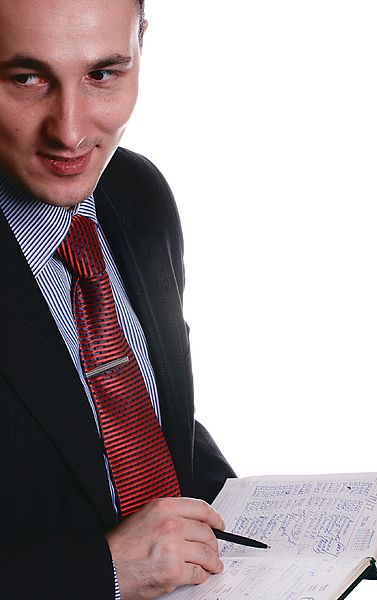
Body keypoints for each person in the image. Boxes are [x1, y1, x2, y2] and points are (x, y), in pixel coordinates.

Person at [0, 1, 236, 598]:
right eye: (26, 78)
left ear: (141, 47)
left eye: (103, 74)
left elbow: (140, 415)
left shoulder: (139, 193)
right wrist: (102, 572)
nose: (71, 130)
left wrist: (243, 515)